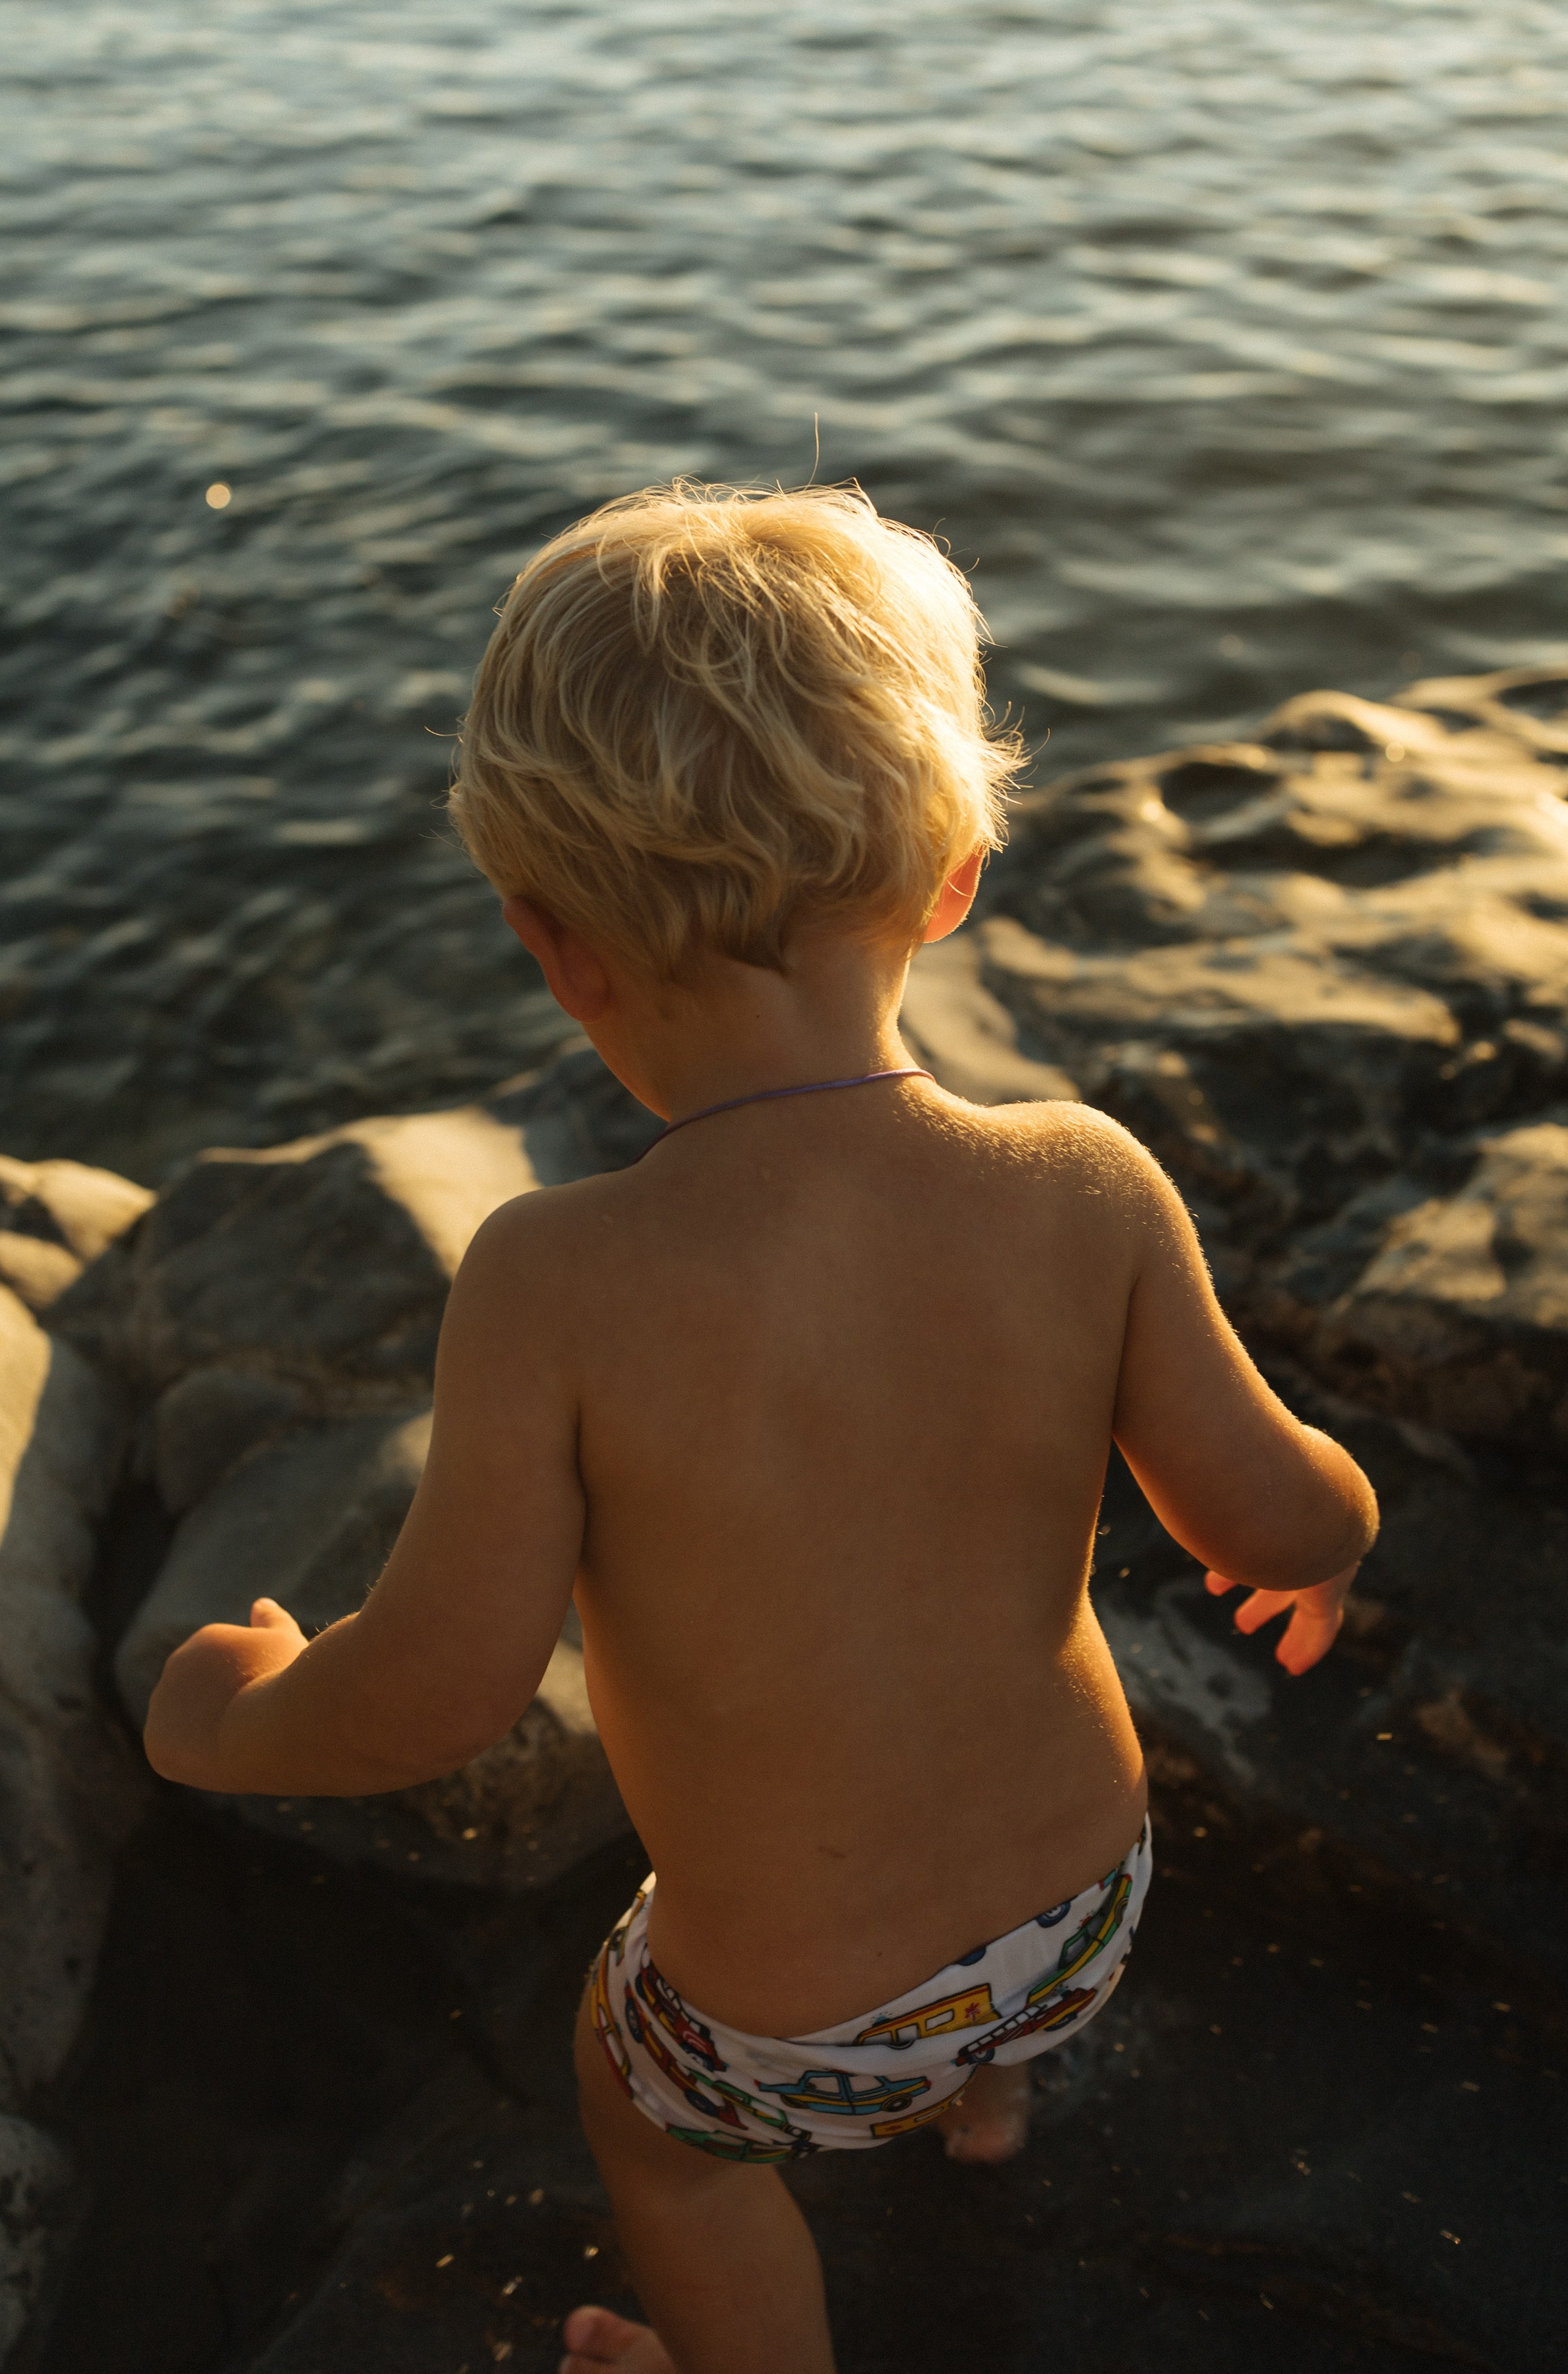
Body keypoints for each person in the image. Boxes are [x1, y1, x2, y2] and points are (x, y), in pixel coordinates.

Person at [143, 482, 1379, 2374]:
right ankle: (984, 2102)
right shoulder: (1084, 1183)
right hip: (1080, 1915)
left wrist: (231, 1715)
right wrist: (1335, 1543)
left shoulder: (556, 1282)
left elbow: (439, 1691)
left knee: (659, 2134)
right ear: (955, 879)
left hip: (788, 2026)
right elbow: (1275, 1512)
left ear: (556, 951)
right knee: (969, 1992)